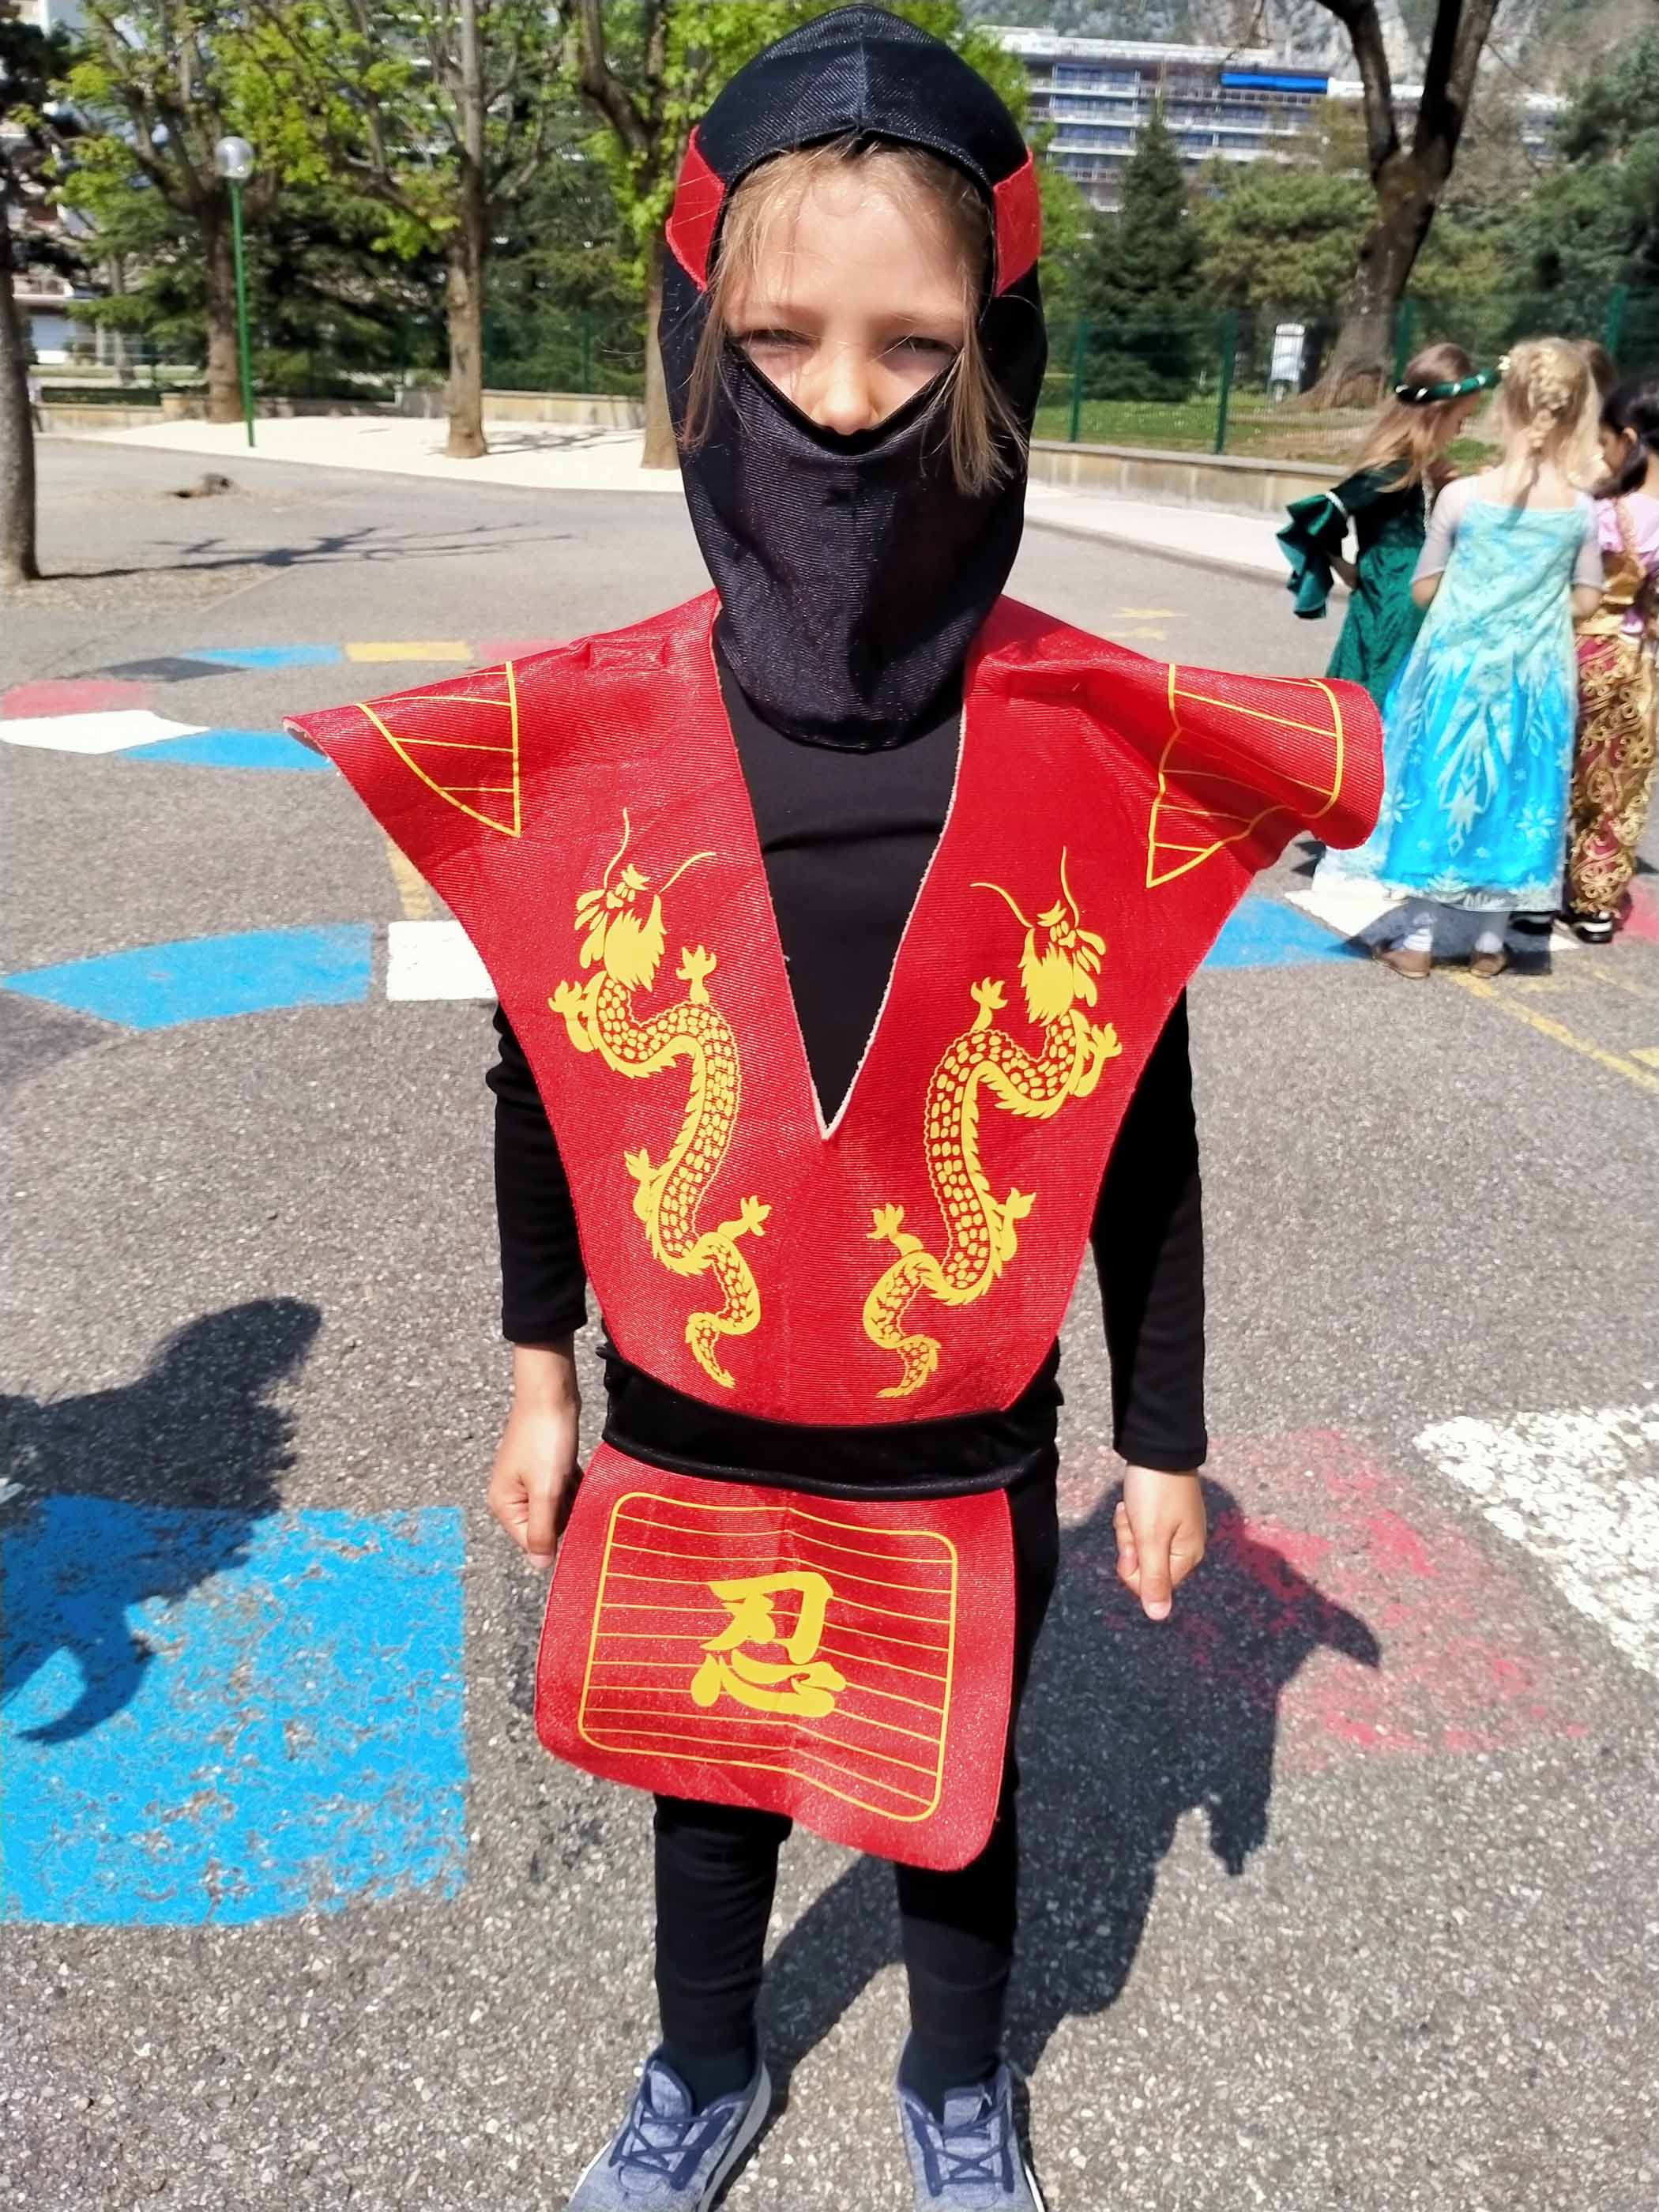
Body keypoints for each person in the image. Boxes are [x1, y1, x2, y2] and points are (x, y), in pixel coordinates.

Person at [285, 14, 1380, 2209]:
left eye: (917, 345)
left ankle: (958, 2084)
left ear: (1002, 355)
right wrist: (536, 1377)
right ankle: (702, 2064)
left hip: (961, 1438)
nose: (851, 403)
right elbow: (548, 1080)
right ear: (699, 343)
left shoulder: (1094, 737)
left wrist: (1164, 1437)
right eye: (781, 341)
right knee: (705, 1779)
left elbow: (1136, 1120)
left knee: (950, 1785)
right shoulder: (597, 737)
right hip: (687, 1415)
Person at [1321, 338, 1603, 979]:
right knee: (1514, 795)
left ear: (1504, 407)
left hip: (1456, 670)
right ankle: (1490, 944)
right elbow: (1586, 598)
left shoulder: (1461, 497)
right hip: (1534, 678)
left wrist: (1476, 599)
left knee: (1438, 785)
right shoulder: (1580, 510)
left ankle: (1419, 941)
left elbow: (1424, 588)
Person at [1277, 344, 1484, 707]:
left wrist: (1444, 490)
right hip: (1392, 607)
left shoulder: (1419, 468)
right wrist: (1345, 568)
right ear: (1436, 414)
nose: (1461, 430)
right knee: (1379, 699)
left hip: (1413, 599)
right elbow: (1319, 514)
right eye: (1460, 419)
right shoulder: (1392, 471)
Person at [1565, 377, 1659, 942]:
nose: (1601, 455)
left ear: (1628, 439)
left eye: (1604, 443)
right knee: (1618, 780)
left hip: (1581, 648)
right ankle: (1595, 901)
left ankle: (1532, 886)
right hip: (1638, 660)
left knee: (1560, 767)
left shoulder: (1603, 512)